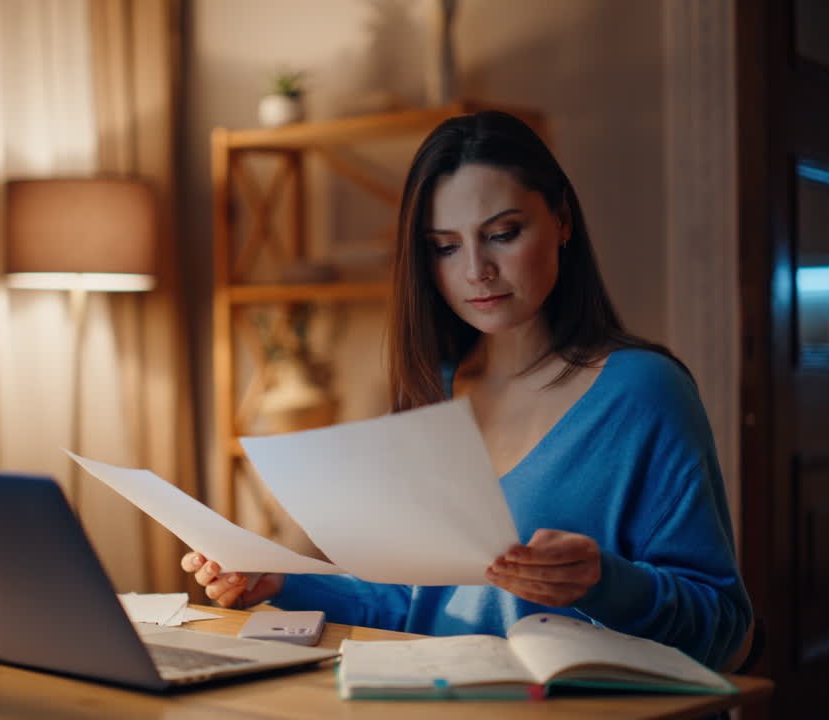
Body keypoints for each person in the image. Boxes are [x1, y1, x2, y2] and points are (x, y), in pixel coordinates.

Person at [183, 110, 752, 671]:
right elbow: (409, 604)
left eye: (503, 234)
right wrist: (280, 580)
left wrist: (608, 584)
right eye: (445, 246)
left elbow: (730, 634)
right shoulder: (431, 391)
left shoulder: (643, 393)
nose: (476, 270)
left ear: (562, 221)